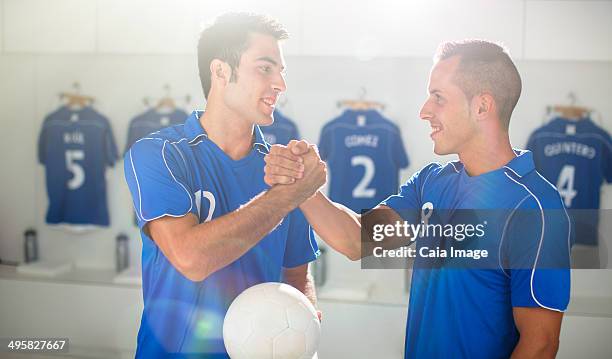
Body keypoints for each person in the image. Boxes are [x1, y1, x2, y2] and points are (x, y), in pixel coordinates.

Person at [265, 40, 571, 358]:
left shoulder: (536, 207)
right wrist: (301, 185)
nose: (425, 111)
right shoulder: (431, 183)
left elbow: (540, 343)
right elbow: (357, 239)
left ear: (482, 106)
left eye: (438, 97)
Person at [123, 13, 326, 358]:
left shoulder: (283, 169)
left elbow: (296, 274)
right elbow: (190, 258)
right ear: (220, 71)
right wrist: (287, 196)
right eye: (265, 68)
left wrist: (303, 334)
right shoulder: (159, 155)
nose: (280, 83)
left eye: (281, 71)